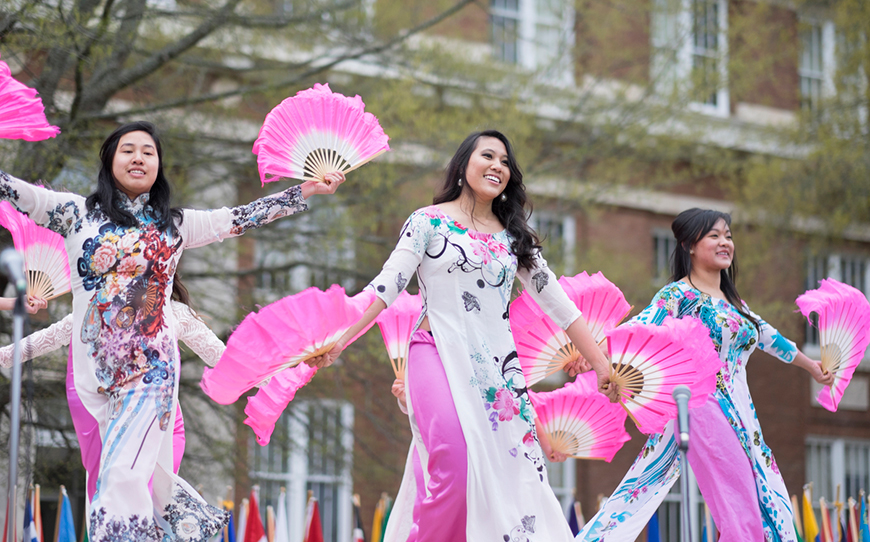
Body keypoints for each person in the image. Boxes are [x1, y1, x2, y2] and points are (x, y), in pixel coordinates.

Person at [0, 120, 344, 541]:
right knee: (113, 475)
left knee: (123, 475)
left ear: (159, 167)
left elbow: (238, 217)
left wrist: (303, 191)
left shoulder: (174, 226)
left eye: (149, 151)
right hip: (94, 377)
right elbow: (17, 191)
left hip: (152, 373)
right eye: (128, 149)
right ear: (109, 161)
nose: (139, 157)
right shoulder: (74, 214)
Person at [310, 130, 617, 541]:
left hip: (496, 374)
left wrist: (603, 368)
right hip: (433, 352)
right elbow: (386, 286)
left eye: (505, 162)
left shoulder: (514, 238)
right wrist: (340, 340)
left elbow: (561, 306)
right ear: (462, 166)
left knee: (509, 480)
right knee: (453, 465)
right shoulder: (427, 222)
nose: (497, 166)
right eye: (487, 155)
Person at [577, 208, 833, 542]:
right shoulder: (678, 295)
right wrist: (595, 354)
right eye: (714, 235)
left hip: (743, 413)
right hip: (703, 408)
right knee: (740, 501)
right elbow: (639, 328)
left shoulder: (734, 302)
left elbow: (768, 335)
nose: (725, 242)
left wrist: (811, 366)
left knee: (768, 497)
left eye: (728, 235)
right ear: (689, 245)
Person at [0, 274, 224, 502]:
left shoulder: (174, 313)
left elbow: (222, 358)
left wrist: (261, 377)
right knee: (114, 503)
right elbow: (47, 338)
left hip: (161, 423)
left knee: (156, 503)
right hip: (115, 421)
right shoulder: (100, 310)